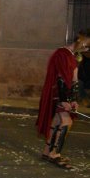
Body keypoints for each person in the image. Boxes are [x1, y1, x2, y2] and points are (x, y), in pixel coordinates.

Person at [37, 30, 89, 169]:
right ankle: (54, 154)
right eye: (86, 45)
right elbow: (60, 78)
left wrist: (74, 99)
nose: (86, 48)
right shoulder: (62, 54)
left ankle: (47, 151)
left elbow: (74, 80)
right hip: (58, 94)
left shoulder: (73, 56)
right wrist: (64, 99)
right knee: (66, 122)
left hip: (64, 95)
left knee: (58, 120)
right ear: (80, 41)